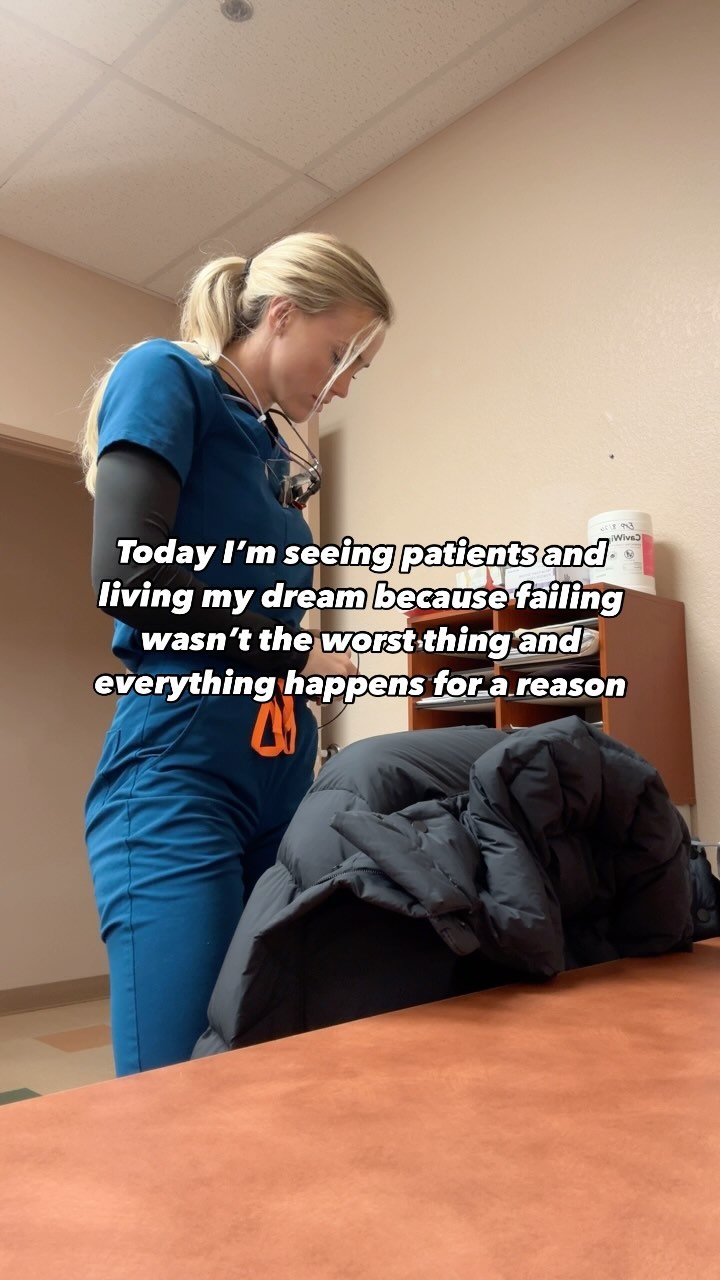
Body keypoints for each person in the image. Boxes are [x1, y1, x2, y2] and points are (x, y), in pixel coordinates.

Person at [81, 231, 393, 1076]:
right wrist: (291, 654)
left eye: (358, 369)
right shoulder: (165, 375)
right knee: (181, 1084)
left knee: (271, 1066)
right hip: (184, 774)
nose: (344, 382)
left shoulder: (272, 449)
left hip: (279, 781)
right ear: (281, 315)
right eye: (340, 353)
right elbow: (130, 579)